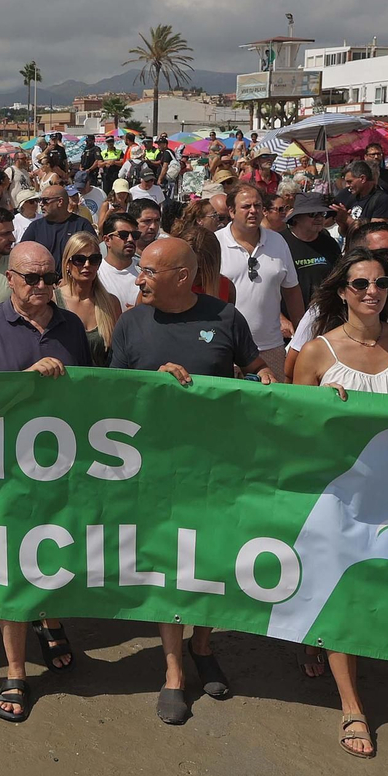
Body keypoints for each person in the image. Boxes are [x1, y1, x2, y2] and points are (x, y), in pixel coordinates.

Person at [108, 237, 272, 724]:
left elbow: (258, 368)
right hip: (155, 470)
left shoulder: (225, 317)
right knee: (168, 566)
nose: (138, 280)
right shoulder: (131, 323)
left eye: (149, 272)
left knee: (211, 561)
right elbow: (112, 396)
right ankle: (174, 670)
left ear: (182, 276)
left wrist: (264, 380)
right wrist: (151, 384)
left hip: (217, 469)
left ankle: (203, 646)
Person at [291, 247, 388, 756]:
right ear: (342, 292)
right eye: (360, 284)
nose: (372, 291)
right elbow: (293, 427)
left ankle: (315, 636)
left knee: (376, 581)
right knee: (342, 589)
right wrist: (324, 415)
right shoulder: (317, 353)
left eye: (382, 283)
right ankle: (352, 707)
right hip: (334, 494)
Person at [0, 241, 89, 723]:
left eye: (50, 278)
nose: (41, 287)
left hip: (61, 466)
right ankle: (15, 672)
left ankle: (50, 620)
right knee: (12, 567)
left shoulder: (72, 324)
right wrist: (24, 381)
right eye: (31, 278)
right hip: (5, 471)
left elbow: (93, 395)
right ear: (8, 278)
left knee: (54, 553)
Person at [216, 185, 304, 380]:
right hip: (225, 348)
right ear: (231, 211)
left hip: (270, 347)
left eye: (258, 205)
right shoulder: (215, 244)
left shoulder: (279, 242)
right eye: (246, 206)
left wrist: (301, 336)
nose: (253, 211)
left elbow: (292, 290)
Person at [55, 231, 121, 366]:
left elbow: (118, 353)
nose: (87, 265)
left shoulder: (111, 303)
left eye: (94, 259)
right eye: (79, 259)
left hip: (100, 383)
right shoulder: (53, 301)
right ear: (67, 263)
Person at [281, 193, 342, 304]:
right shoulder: (280, 243)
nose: (319, 218)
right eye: (312, 214)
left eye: (322, 213)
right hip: (287, 315)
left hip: (324, 314)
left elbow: (339, 278)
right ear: (297, 217)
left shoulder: (330, 243)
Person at [21, 184, 95, 264]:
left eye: (45, 200)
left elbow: (93, 255)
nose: (41, 204)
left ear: (60, 202)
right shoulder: (35, 227)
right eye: (40, 200)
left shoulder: (82, 225)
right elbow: (22, 253)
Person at [96, 212, 141, 309]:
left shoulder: (144, 273)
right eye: (123, 235)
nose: (130, 239)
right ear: (107, 240)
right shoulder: (95, 273)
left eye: (135, 235)